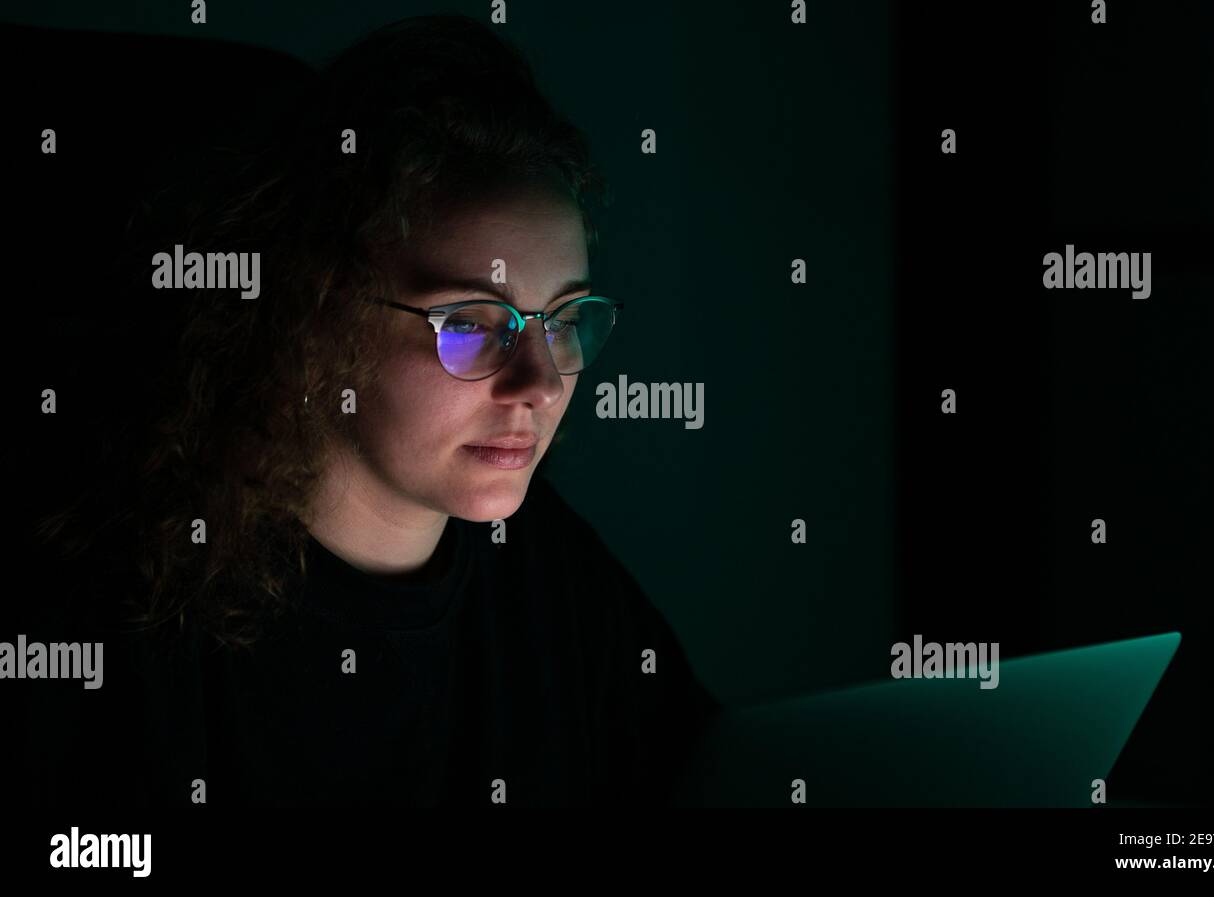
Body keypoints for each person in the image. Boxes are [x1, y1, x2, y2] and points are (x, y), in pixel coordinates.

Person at [23, 14, 719, 807]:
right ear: (314, 315)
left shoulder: (546, 569)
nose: (543, 383)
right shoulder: (133, 603)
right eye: (470, 322)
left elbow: (710, 765)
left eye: (564, 320)